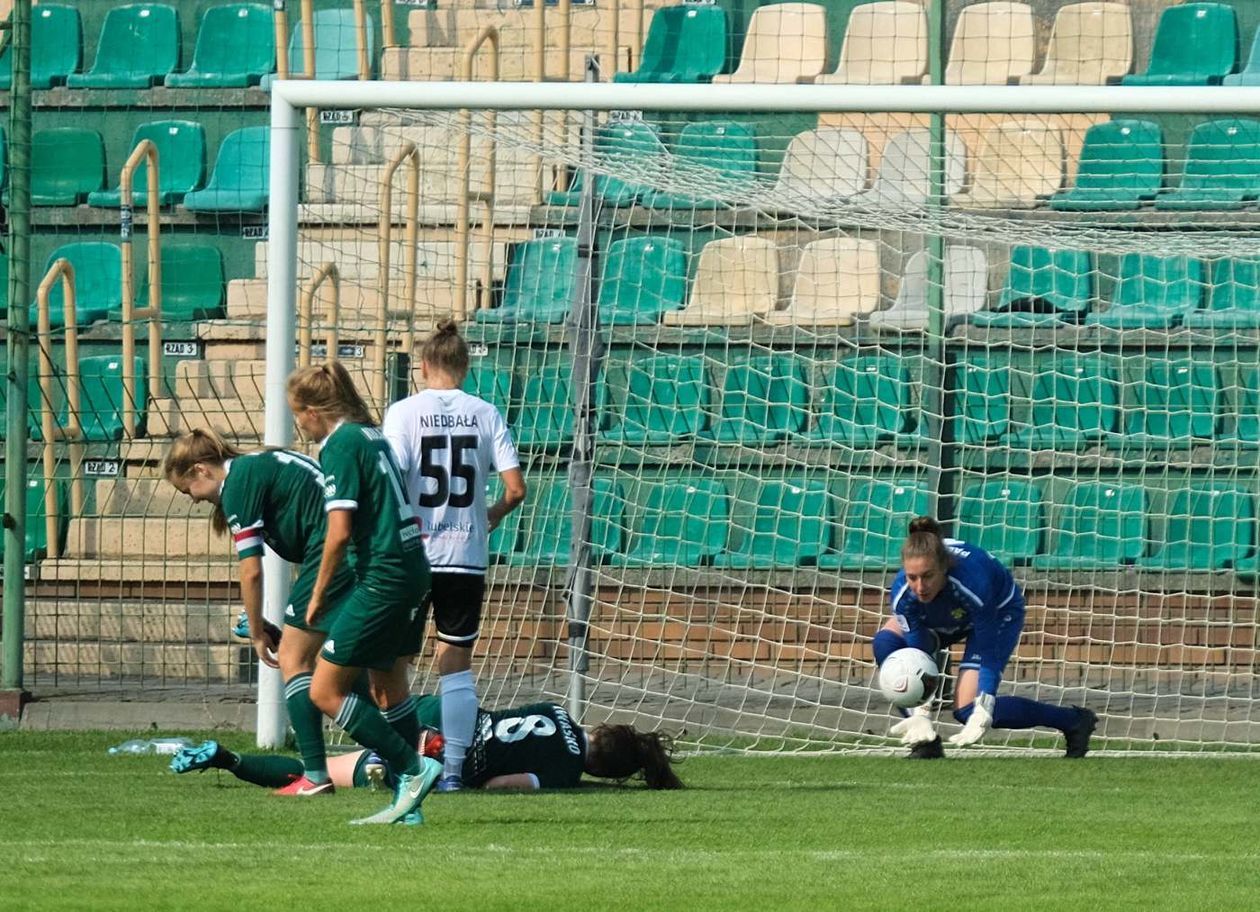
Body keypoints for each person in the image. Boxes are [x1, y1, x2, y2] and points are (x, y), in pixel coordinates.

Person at [286, 361, 442, 824]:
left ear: (314, 412)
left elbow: (338, 532)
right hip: (414, 566)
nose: (298, 424)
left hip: (384, 576)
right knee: (388, 685)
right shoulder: (372, 434)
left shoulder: (340, 445)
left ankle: (412, 769)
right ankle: (409, 806)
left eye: (298, 414)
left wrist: (317, 594)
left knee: (324, 689)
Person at [164, 429, 360, 796]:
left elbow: (251, 571)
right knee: (342, 667)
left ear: (201, 470)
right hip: (351, 553)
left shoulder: (237, 485)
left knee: (292, 657)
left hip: (336, 557)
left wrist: (256, 633)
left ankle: (316, 776)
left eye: (186, 491)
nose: (192, 501)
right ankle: (411, 747)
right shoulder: (256, 466)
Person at [382, 320, 527, 793]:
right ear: (465, 368)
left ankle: (404, 764)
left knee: (394, 662)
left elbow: (393, 474)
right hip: (464, 553)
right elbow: (516, 489)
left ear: (422, 367)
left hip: (413, 554)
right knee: (456, 666)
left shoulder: (403, 412)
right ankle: (452, 774)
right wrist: (493, 514)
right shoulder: (486, 412)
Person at [874, 517, 1098, 759]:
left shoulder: (973, 582)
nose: (919, 586)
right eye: (912, 577)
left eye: (927, 576)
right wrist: (921, 712)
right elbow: (919, 655)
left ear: (943, 568)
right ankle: (925, 742)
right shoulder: (903, 594)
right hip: (939, 614)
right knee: (886, 643)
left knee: (967, 710)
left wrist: (985, 704)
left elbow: (989, 649)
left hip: (997, 613)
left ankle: (1074, 721)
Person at [171, 695, 684, 791]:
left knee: (353, 692)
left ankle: (292, 641)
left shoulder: (556, 711)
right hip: (446, 754)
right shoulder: (567, 774)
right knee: (327, 769)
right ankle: (230, 760)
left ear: (599, 732)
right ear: (602, 770)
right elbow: (506, 781)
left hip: (445, 715)